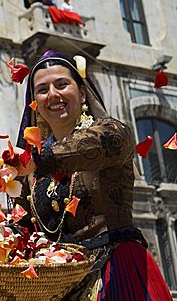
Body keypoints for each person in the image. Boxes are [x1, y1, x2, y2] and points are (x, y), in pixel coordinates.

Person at [12, 50, 172, 300]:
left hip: (115, 272)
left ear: (83, 92)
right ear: (35, 103)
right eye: (42, 90)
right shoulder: (32, 173)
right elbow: (20, 229)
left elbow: (103, 142)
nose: (53, 94)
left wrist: (40, 160)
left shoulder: (110, 133)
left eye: (62, 84)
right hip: (59, 287)